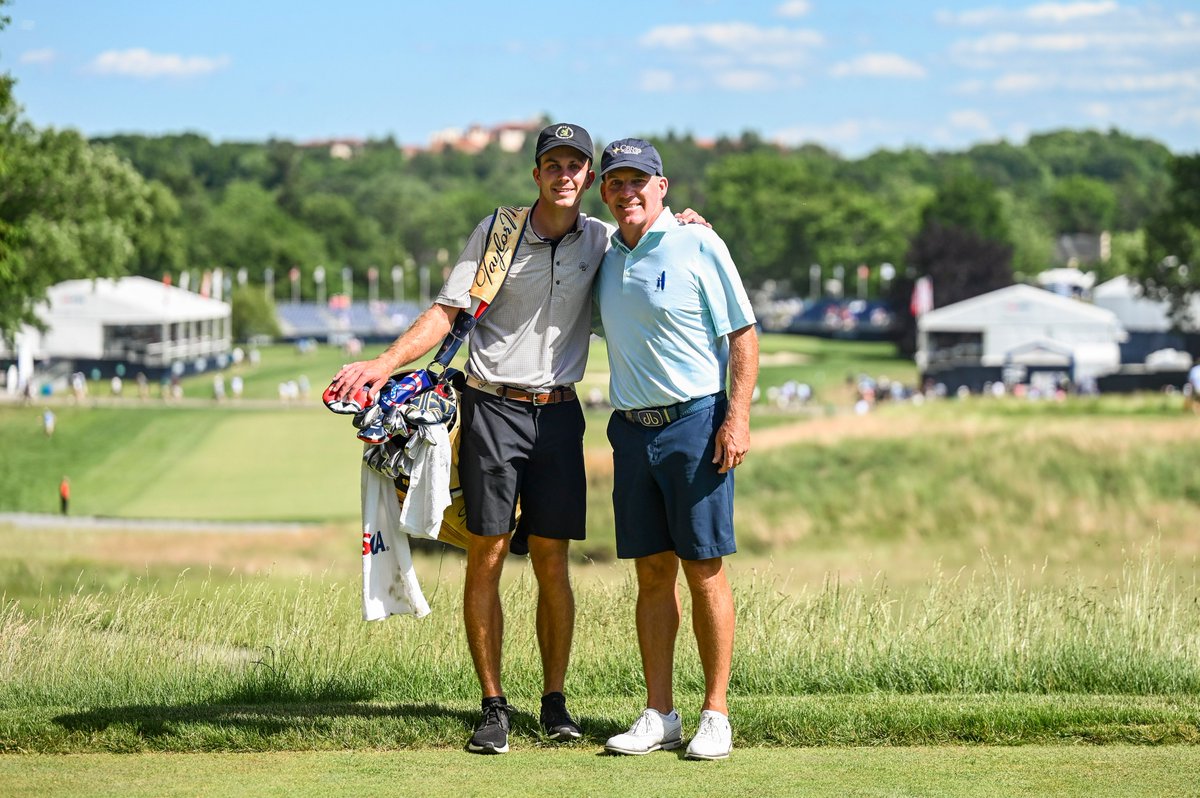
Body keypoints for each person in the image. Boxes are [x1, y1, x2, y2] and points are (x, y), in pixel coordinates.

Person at [329, 123, 706, 755]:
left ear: (589, 178)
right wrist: (382, 364)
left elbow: (652, 236)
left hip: (559, 417)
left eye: (575, 166)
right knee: (490, 552)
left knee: (554, 560)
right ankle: (493, 705)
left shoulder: (604, 240)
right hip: (491, 409)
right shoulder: (497, 234)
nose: (564, 174)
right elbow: (447, 312)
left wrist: (688, 222)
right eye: (552, 164)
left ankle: (554, 702)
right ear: (536, 174)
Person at [593, 138, 758, 762]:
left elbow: (742, 336)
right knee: (652, 573)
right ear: (604, 192)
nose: (628, 191)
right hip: (632, 430)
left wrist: (736, 417)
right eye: (616, 183)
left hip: (695, 422)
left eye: (639, 181)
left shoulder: (698, 243)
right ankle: (660, 713)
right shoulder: (604, 255)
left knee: (703, 567)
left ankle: (716, 713)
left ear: (662, 186)